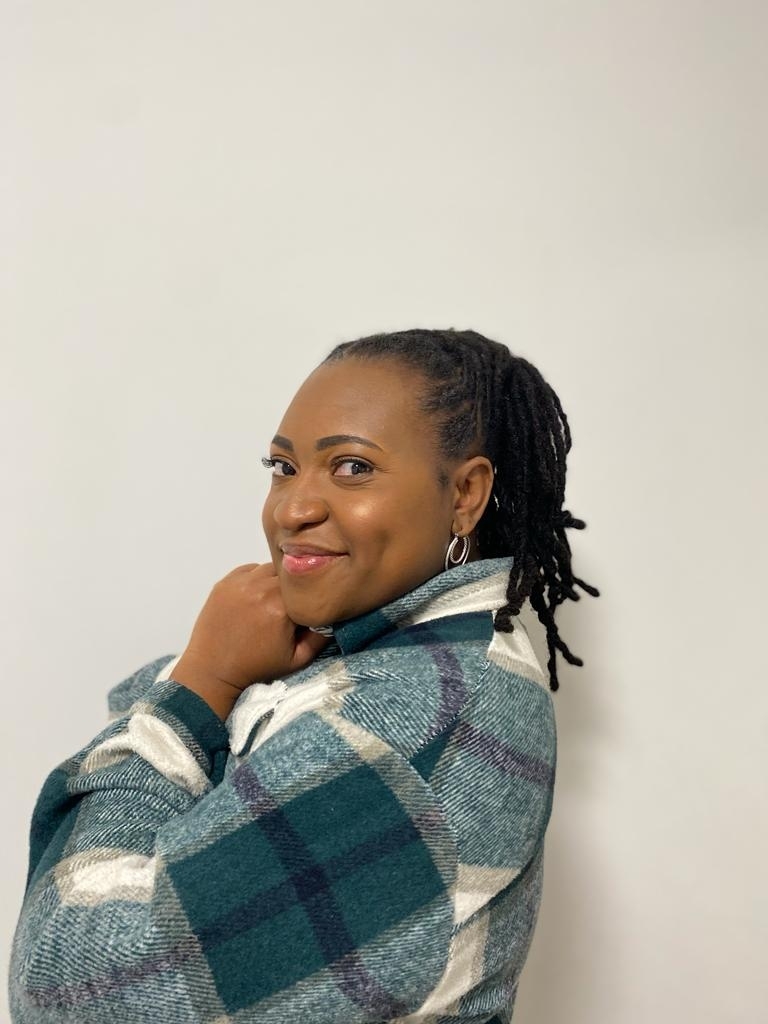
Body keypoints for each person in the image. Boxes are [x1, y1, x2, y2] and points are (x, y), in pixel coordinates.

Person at [9, 328, 599, 1023]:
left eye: (352, 467)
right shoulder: (395, 658)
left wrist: (199, 688)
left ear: (465, 494)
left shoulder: (422, 707)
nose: (292, 509)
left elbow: (65, 992)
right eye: (283, 467)